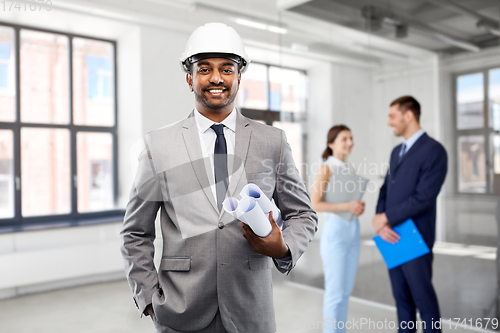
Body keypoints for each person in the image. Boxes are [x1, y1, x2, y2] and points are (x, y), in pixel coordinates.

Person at [120, 22, 318, 333]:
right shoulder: (157, 146)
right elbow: (135, 233)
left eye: (227, 68)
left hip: (251, 310)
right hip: (179, 312)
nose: (216, 78)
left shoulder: (273, 141)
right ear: (190, 78)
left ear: (240, 76)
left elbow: (303, 214)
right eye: (204, 69)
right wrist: (147, 297)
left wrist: (282, 247)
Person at [373, 96, 448, 333]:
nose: (389, 122)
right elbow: (386, 189)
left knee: (423, 299)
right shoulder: (397, 151)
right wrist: (380, 219)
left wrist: (386, 217)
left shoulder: (434, 151)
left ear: (409, 116)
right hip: (391, 235)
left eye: (392, 116)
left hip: (416, 236)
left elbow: (424, 198)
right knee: (401, 299)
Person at [311, 125, 365, 333]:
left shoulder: (348, 168)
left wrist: (356, 206)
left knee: (345, 293)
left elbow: (348, 203)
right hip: (336, 233)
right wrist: (347, 206)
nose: (350, 142)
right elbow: (315, 203)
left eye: (351, 138)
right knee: (334, 293)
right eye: (345, 139)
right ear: (331, 143)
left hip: (353, 229)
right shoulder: (327, 168)